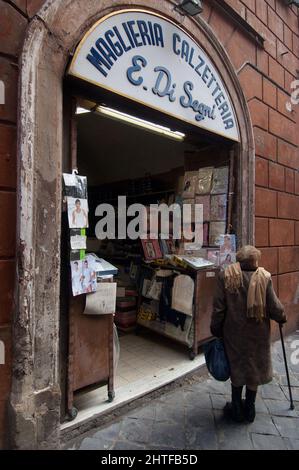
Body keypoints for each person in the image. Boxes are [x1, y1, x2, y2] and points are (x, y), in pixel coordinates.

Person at [210, 245, 287, 423]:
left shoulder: (226, 276)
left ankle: (236, 408)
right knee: (254, 368)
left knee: (237, 367)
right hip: (258, 333)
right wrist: (281, 317)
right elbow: (274, 305)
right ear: (254, 261)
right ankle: (249, 409)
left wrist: (216, 328)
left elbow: (218, 308)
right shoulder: (264, 277)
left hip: (234, 333)